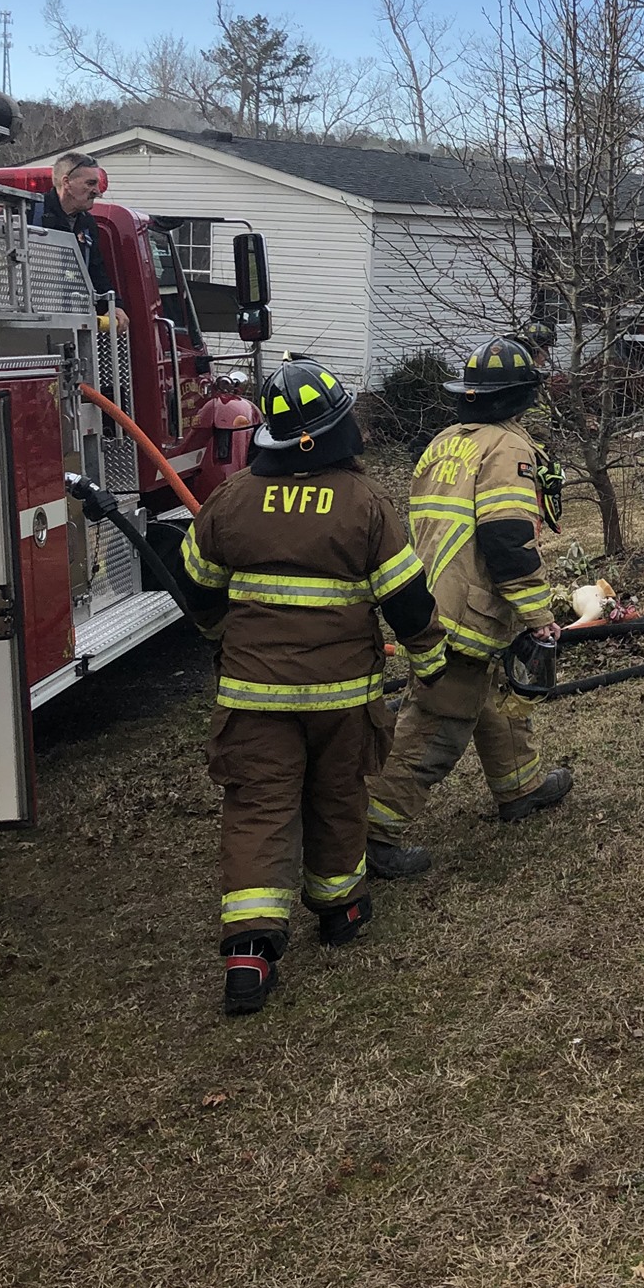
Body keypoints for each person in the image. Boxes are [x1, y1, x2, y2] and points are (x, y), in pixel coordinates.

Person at [178, 360, 447, 1016]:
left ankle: (249, 951)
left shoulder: (232, 499)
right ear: (335, 430)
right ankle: (341, 910)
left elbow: (195, 590)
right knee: (336, 797)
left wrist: (222, 639)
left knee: (259, 807)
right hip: (341, 700)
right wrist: (432, 659)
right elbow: (407, 601)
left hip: (253, 700)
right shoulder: (365, 505)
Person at [365, 336, 572, 875]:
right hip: (468, 611)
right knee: (438, 723)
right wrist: (540, 616)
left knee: (495, 697)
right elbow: (507, 542)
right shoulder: (509, 450)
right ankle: (373, 830)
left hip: (430, 598)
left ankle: (520, 788)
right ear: (522, 396)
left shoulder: (443, 443)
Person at [31, 151, 129, 330]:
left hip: (71, 322)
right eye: (90, 183)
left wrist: (113, 306)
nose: (97, 192)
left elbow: (95, 271)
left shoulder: (87, 224)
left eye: (97, 185)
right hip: (30, 323)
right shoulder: (29, 212)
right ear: (66, 182)